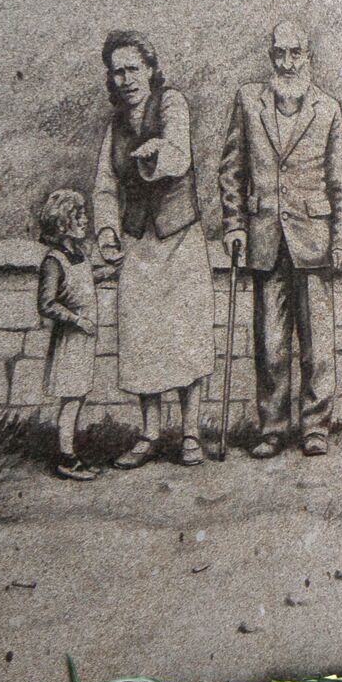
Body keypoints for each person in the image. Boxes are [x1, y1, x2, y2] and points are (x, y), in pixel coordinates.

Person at [219, 21, 342, 458]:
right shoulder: (248, 101)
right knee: (270, 343)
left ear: (307, 57)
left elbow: (339, 181)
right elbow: (231, 171)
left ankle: (315, 426)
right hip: (264, 237)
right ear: (270, 56)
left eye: (295, 53)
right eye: (279, 53)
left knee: (318, 343)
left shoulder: (328, 109)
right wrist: (235, 224)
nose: (287, 62)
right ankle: (273, 427)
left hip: (313, 238)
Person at [93, 31, 216, 469]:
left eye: (132, 68)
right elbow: (106, 185)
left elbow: (180, 154)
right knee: (143, 335)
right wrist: (107, 231)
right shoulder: (115, 125)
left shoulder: (171, 103)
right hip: (139, 242)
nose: (125, 78)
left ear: (149, 69)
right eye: (117, 71)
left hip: (180, 236)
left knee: (187, 333)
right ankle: (148, 434)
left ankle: (190, 433)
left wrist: (156, 150)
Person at [36, 189, 115, 481]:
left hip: (83, 342)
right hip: (70, 341)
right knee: (71, 401)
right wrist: (77, 320)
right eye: (78, 216)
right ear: (60, 224)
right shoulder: (54, 260)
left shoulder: (79, 254)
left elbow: (81, 281)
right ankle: (66, 458)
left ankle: (70, 453)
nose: (85, 220)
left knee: (78, 398)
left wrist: (106, 273)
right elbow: (46, 304)